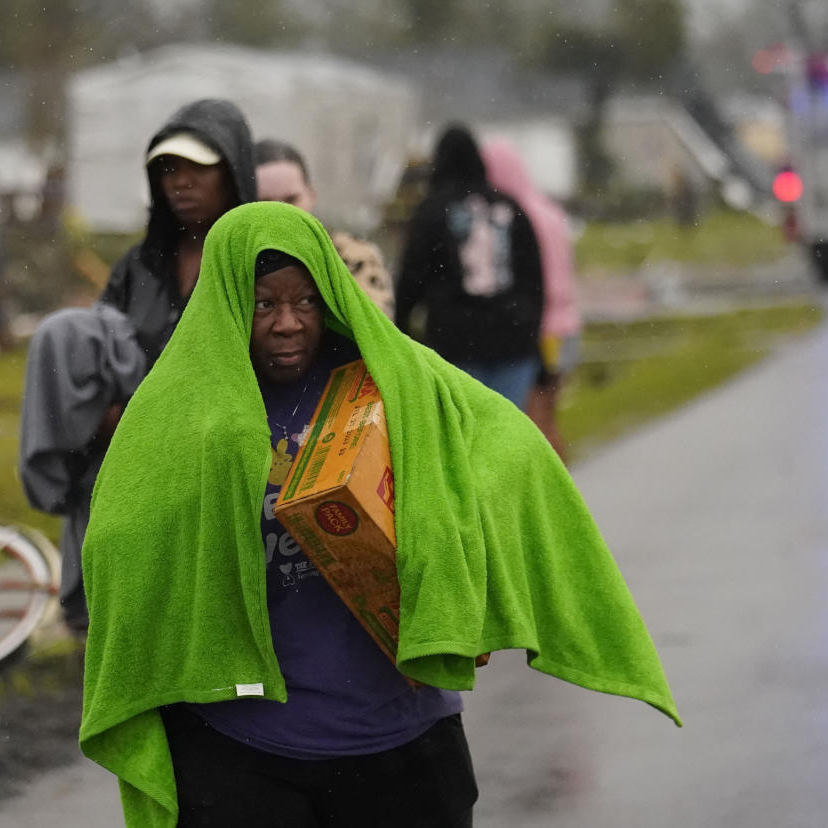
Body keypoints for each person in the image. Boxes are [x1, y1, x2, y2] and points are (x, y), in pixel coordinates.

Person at [78, 201, 679, 828]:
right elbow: (121, 541)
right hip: (242, 749)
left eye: (306, 301)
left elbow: (513, 455)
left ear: (331, 294)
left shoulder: (397, 383)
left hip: (402, 743)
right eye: (263, 304)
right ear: (226, 299)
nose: (287, 324)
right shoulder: (177, 415)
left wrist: (467, 584)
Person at [18, 98, 256, 631]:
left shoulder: (255, 261)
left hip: (210, 462)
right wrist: (107, 415)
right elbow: (100, 349)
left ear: (233, 172)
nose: (181, 182)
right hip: (126, 458)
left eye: (199, 167)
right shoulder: (139, 267)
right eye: (169, 169)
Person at [395, 124, 544, 409]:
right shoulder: (510, 207)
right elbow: (533, 280)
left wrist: (401, 332)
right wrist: (532, 333)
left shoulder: (432, 211)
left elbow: (411, 279)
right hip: (513, 340)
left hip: (456, 343)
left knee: (464, 438)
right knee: (506, 436)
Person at [481, 138, 582, 461]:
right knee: (549, 415)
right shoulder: (549, 210)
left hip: (541, 328)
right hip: (567, 327)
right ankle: (563, 487)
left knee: (534, 422)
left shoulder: (516, 217)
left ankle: (552, 497)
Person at [254, 138, 396, 317]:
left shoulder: (353, 256)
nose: (282, 213)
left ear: (311, 195)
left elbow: (375, 328)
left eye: (291, 200)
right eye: (265, 203)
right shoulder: (234, 265)